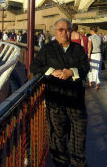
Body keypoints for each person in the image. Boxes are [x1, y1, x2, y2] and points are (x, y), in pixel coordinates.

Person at [30, 18, 90, 167]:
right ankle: (61, 163)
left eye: (67, 29)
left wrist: (72, 72)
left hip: (76, 101)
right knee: (57, 137)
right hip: (55, 101)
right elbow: (34, 67)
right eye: (61, 30)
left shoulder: (78, 49)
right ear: (54, 32)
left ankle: (78, 163)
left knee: (79, 135)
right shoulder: (47, 49)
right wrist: (52, 72)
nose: (64, 32)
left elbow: (85, 68)